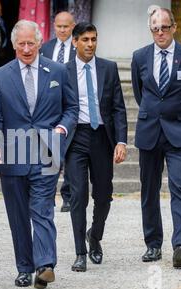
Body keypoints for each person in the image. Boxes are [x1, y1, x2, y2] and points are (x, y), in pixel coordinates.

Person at [0, 20, 78, 289]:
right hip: (12, 152)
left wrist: (63, 126)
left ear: (40, 43)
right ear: (14, 45)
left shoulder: (57, 71)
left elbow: (71, 108)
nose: (26, 48)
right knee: (18, 215)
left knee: (43, 209)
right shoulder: (2, 75)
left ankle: (45, 265)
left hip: (47, 150)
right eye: (21, 44)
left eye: (31, 43)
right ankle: (24, 268)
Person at [132, 8, 181, 268]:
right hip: (149, 133)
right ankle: (153, 244)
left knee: (179, 188)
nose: (160, 32)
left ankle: (180, 245)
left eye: (164, 27)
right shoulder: (139, 57)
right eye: (155, 28)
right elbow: (140, 92)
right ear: (151, 30)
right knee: (149, 191)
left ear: (174, 28)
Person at [66, 22, 127, 272]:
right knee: (78, 196)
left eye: (94, 39)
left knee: (103, 195)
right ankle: (80, 252)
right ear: (75, 42)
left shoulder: (109, 68)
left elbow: (118, 108)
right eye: (85, 40)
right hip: (76, 138)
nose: (90, 44)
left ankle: (95, 236)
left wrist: (121, 141)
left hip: (102, 138)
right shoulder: (63, 71)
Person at [41, 10, 76, 213]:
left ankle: (68, 196)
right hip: (49, 107)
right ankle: (48, 194)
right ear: (54, 26)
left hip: (71, 107)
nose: (62, 30)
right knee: (49, 151)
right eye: (59, 26)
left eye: (66, 26)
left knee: (69, 152)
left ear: (73, 26)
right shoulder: (45, 48)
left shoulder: (78, 47)